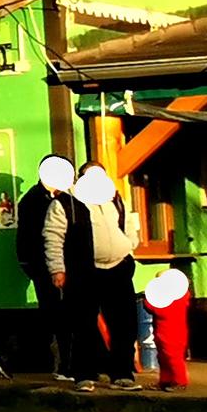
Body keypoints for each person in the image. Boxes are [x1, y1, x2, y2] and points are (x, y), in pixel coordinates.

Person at [74, 163, 142, 388]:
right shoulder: (72, 204)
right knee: (85, 323)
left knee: (124, 323)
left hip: (119, 267)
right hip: (87, 269)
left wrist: (128, 246)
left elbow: (129, 226)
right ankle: (87, 373)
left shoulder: (117, 200)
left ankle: (122, 374)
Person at [19, 153, 83, 380]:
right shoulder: (32, 200)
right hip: (45, 268)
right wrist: (34, 268)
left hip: (71, 267)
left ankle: (75, 364)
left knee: (71, 316)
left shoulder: (70, 198)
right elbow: (27, 238)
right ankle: (62, 365)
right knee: (56, 317)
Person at [142, 263, 194, 391]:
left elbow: (160, 311)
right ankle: (165, 381)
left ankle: (180, 381)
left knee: (173, 358)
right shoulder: (178, 298)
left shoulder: (174, 301)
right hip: (165, 333)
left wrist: (147, 301)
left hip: (171, 334)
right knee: (163, 358)